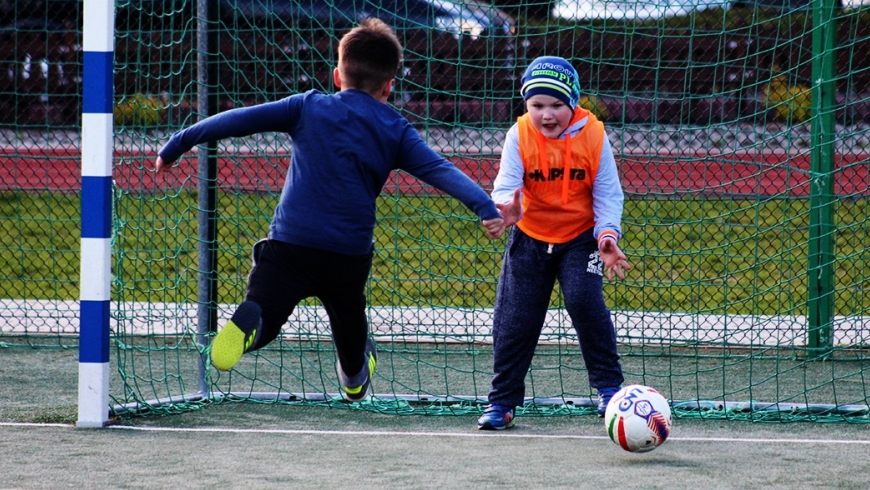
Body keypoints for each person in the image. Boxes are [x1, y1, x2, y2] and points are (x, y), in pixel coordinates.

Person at [154, 18, 505, 402]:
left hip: (290, 245)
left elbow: (239, 120)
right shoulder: (397, 129)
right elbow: (441, 170)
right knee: (350, 327)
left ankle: (249, 326)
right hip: (347, 256)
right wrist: (485, 206)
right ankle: (355, 376)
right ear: (389, 86)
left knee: (267, 311)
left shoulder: (307, 106)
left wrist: (179, 142)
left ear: (337, 76)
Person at [477, 56, 631, 430]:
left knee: (584, 300)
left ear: (574, 103)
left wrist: (607, 235)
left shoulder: (594, 136)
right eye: (537, 105)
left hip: (581, 238)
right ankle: (503, 402)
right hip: (530, 237)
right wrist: (505, 208)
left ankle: (610, 390)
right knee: (515, 320)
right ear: (526, 105)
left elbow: (609, 193)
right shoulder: (519, 135)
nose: (547, 114)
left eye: (557, 105)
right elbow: (507, 182)